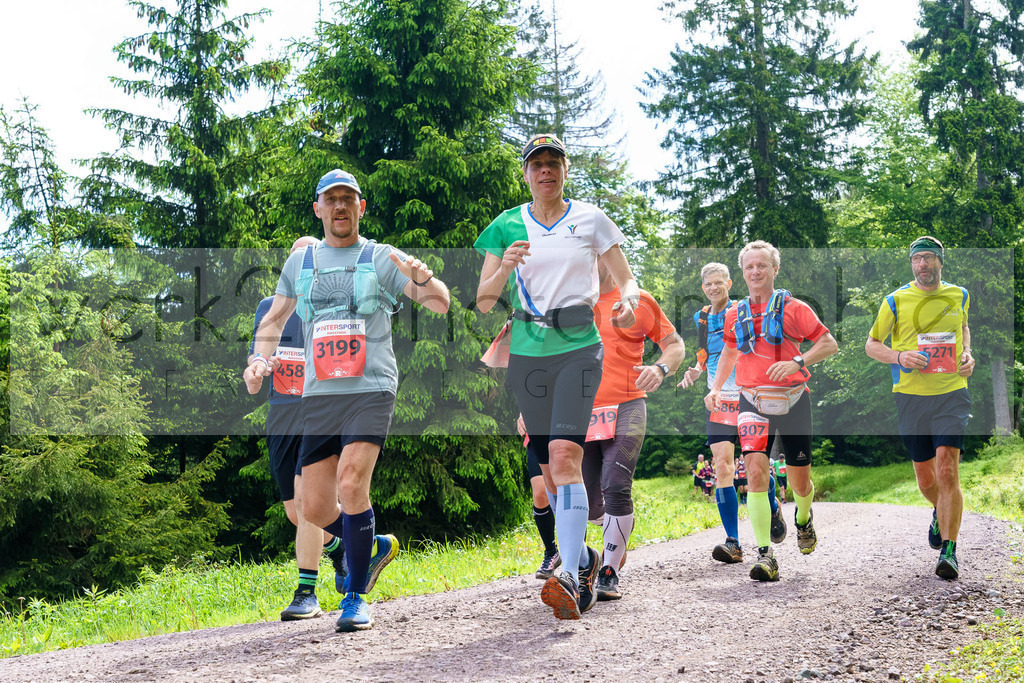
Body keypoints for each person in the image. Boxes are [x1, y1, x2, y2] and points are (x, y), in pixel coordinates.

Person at [246, 169, 451, 631]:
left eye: (348, 199)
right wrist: (259, 360)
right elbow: (273, 321)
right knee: (314, 509)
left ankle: (355, 598)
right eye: (331, 199)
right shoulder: (299, 264)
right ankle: (370, 544)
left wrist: (424, 280)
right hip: (320, 394)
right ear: (318, 209)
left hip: (371, 387)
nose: (340, 207)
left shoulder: (381, 257)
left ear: (361, 208)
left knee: (353, 483)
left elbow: (441, 302)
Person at [474, 133, 640, 621]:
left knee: (566, 454)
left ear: (566, 170)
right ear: (525, 173)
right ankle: (585, 560)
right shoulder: (507, 224)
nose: (545, 170)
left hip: (579, 348)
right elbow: (484, 300)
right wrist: (503, 268)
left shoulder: (590, 219)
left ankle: (567, 573)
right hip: (527, 352)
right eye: (536, 164)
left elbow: (624, 276)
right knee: (548, 470)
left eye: (554, 162)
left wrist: (628, 296)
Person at [705, 240, 838, 582]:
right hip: (752, 401)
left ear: (775, 269)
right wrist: (716, 388)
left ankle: (803, 519)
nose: (755, 272)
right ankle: (765, 554)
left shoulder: (795, 308)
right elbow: (730, 354)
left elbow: (828, 343)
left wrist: (798, 362)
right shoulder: (735, 314)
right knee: (755, 475)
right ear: (742, 272)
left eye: (761, 265)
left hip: (793, 400)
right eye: (749, 266)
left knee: (800, 482)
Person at [245, 236, 348, 621]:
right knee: (297, 512)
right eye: (296, 261)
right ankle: (341, 548)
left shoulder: (332, 306)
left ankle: (306, 592)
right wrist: (257, 373)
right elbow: (255, 366)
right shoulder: (268, 308)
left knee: (308, 504)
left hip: (321, 412)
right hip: (282, 414)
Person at [865, 236, 974, 580]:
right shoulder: (895, 300)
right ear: (911, 264)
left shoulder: (960, 295)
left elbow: (963, 328)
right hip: (910, 397)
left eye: (929, 258)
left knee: (947, 470)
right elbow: (871, 345)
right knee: (926, 478)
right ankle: (937, 512)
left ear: (941, 261)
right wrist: (899, 357)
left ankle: (949, 551)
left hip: (951, 393)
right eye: (917, 260)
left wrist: (968, 354)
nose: (923, 265)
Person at [578, 262, 685, 600]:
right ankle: (614, 531)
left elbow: (675, 345)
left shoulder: (638, 302)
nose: (593, 261)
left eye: (600, 253)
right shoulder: (569, 302)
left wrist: (661, 367)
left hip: (627, 405)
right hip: (581, 411)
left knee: (617, 485)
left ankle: (609, 572)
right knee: (588, 502)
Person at [677, 262, 786, 564]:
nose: (713, 288)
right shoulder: (701, 316)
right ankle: (733, 542)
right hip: (718, 399)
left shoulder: (743, 310)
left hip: (748, 395)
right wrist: (697, 371)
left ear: (729, 283)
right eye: (708, 284)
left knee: (755, 467)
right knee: (722, 465)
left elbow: (753, 347)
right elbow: (704, 353)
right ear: (703, 288)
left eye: (718, 283)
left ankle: (772, 503)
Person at [518, 417, 561, 579]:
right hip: (538, 431)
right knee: (540, 493)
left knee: (567, 490)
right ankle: (551, 553)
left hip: (565, 428)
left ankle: (579, 552)